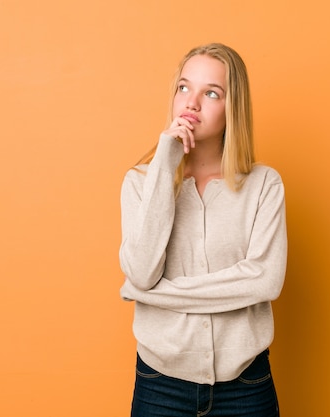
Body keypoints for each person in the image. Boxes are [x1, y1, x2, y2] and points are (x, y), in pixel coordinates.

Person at [119, 43, 288, 417]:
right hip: (159, 385)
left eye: (211, 93)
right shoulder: (138, 182)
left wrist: (157, 294)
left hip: (246, 387)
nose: (191, 103)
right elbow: (142, 270)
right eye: (184, 87)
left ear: (233, 109)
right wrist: (165, 164)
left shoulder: (264, 185)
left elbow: (264, 281)